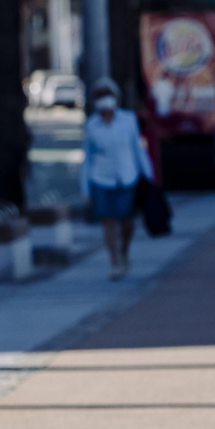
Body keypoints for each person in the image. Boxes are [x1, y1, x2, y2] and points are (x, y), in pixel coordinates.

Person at [79, 79, 154, 280]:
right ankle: (115, 261)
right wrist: (85, 188)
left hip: (126, 177)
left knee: (127, 221)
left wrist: (148, 175)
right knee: (108, 221)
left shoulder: (128, 120)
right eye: (100, 96)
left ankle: (124, 251)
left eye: (107, 95)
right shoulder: (92, 125)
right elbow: (87, 157)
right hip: (101, 178)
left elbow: (138, 150)